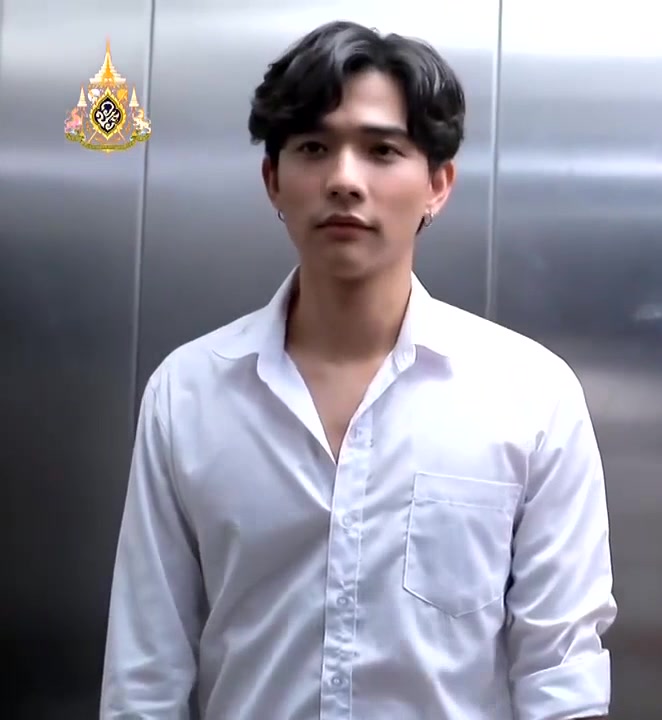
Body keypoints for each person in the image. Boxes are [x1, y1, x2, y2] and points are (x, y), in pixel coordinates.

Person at [99, 21, 615, 720]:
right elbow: (146, 670)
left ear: (438, 184)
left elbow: (560, 670)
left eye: (382, 150)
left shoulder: (531, 395)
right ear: (273, 180)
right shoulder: (188, 393)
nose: (345, 180)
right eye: (314, 148)